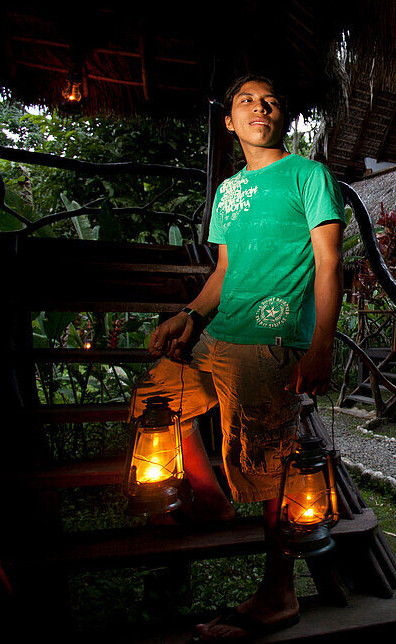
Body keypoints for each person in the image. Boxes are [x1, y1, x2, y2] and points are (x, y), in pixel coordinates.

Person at [130, 74, 344, 641]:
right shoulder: (228, 192)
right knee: (156, 393)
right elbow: (223, 274)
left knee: (268, 464)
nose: (259, 107)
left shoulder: (309, 176)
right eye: (246, 100)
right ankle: (208, 497)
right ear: (230, 121)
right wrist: (189, 315)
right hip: (217, 333)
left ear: (284, 118)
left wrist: (321, 343)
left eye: (270, 100)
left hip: (269, 342)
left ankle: (278, 592)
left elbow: (328, 264)